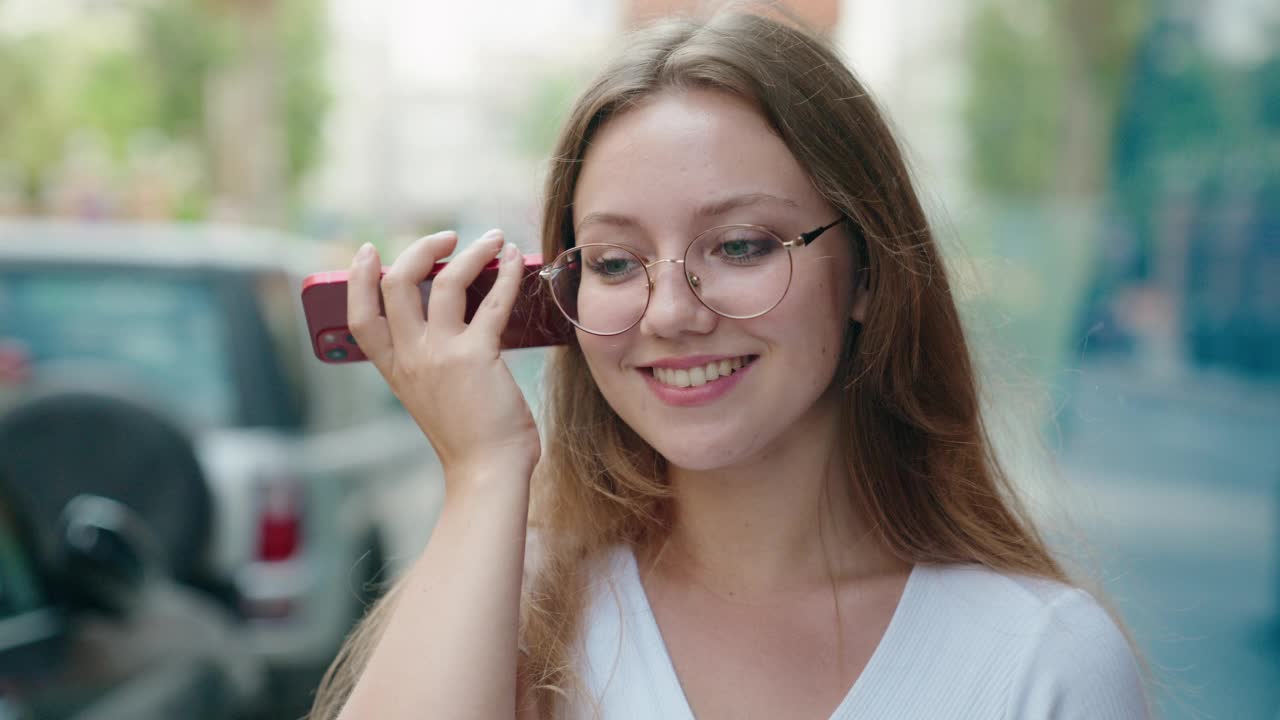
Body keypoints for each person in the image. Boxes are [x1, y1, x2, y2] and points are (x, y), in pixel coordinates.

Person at [311, 8, 1148, 720]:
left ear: (867, 270)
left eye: (742, 245)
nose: (673, 312)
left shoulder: (1040, 662)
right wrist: (486, 472)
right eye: (612, 261)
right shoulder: (513, 606)